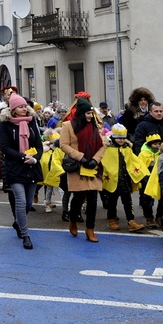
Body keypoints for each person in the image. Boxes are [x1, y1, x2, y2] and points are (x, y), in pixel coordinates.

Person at [0, 93, 43, 250]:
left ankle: (18, 223)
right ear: (13, 109)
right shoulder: (6, 124)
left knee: (29, 204)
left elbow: (39, 144)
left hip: (32, 166)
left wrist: (35, 158)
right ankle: (25, 235)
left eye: (25, 106)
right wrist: (22, 157)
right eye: (21, 106)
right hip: (15, 166)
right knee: (21, 201)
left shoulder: (32, 122)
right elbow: (5, 147)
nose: (24, 109)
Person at [60, 98, 107, 243]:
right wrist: (81, 158)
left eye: (91, 113)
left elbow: (102, 145)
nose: (90, 116)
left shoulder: (94, 127)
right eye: (87, 113)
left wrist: (95, 160)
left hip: (92, 167)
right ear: (80, 112)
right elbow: (64, 145)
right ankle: (72, 219)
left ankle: (90, 229)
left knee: (93, 198)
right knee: (78, 198)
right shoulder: (68, 126)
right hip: (77, 166)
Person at [100, 124, 146, 232]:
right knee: (112, 202)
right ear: (113, 137)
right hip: (112, 179)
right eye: (119, 138)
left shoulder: (127, 148)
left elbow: (133, 161)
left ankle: (131, 221)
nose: (121, 140)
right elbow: (105, 162)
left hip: (124, 179)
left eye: (123, 138)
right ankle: (112, 220)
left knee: (128, 202)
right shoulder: (107, 149)